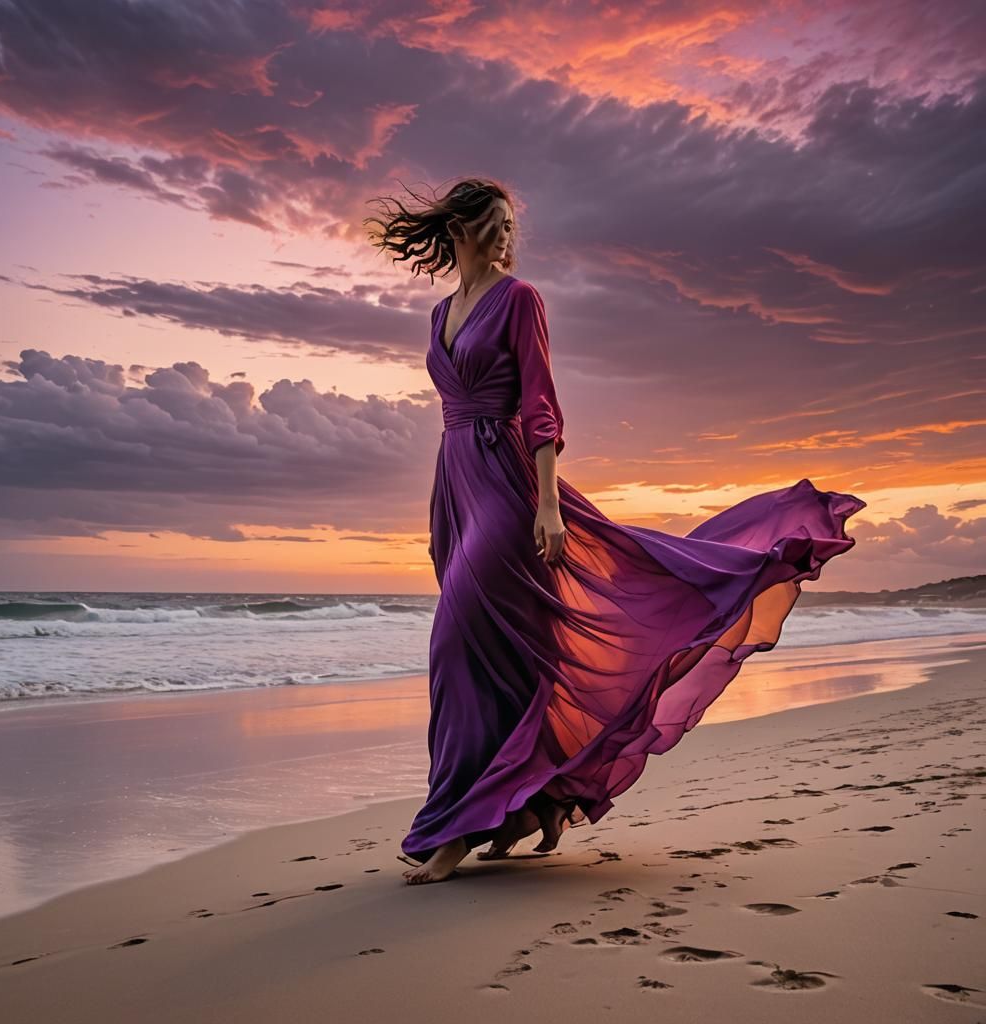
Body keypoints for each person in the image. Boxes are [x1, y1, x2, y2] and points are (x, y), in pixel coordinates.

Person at [364, 178, 866, 885]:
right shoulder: (441, 312)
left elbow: (540, 403)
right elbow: (448, 424)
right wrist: (435, 517)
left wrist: (547, 505)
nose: (508, 234)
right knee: (512, 658)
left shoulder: (520, 299)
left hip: (510, 485)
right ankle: (527, 805)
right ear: (461, 229)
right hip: (456, 487)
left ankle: (453, 830)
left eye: (513, 223)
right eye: (496, 223)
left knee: (454, 649)